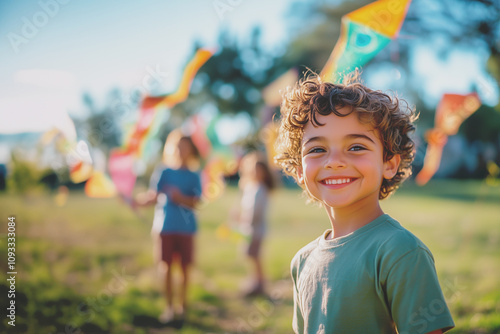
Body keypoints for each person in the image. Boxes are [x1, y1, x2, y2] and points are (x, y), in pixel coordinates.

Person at [274, 71, 455, 334]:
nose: (334, 161)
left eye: (356, 147)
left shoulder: (401, 252)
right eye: (317, 149)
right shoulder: (301, 261)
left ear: (389, 164)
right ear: (300, 171)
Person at [135, 130, 202, 323]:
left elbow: (197, 202)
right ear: (171, 148)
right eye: (177, 146)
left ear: (191, 150)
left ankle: (183, 306)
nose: (181, 150)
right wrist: (137, 201)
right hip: (165, 227)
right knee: (166, 268)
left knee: (185, 269)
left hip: (186, 229)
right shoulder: (163, 171)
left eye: (185, 146)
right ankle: (169, 307)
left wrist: (179, 197)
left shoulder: (193, 175)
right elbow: (152, 196)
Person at [236, 152, 275, 297]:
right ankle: (255, 281)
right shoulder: (250, 187)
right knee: (251, 256)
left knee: (255, 256)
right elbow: (246, 208)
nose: (256, 173)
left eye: (259, 170)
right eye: (254, 169)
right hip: (247, 229)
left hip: (256, 230)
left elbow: (256, 211)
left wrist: (246, 220)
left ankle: (260, 283)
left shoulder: (261, 189)